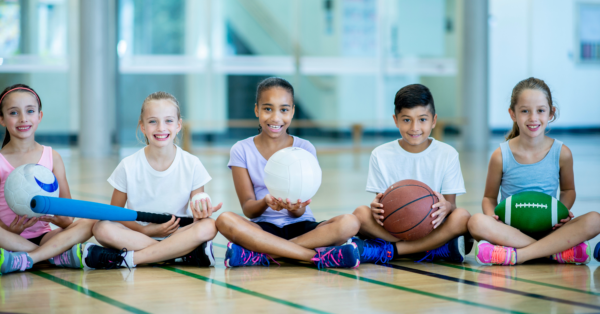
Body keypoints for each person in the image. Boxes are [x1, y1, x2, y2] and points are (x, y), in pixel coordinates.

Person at [216, 77, 360, 269]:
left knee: (350, 222)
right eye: (268, 109)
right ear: (257, 110)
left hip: (302, 228)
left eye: (283, 110)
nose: (276, 118)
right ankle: (315, 257)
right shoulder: (241, 149)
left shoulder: (305, 148)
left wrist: (293, 206)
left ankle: (263, 255)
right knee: (224, 219)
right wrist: (265, 202)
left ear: (292, 112)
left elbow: (300, 210)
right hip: (262, 230)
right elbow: (248, 208)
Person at [468, 77, 600, 265]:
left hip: (549, 227)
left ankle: (517, 255)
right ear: (512, 114)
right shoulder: (501, 155)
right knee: (476, 222)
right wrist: (492, 217)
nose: (533, 118)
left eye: (540, 110)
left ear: (551, 113)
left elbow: (568, 191)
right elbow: (489, 198)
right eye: (524, 111)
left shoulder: (562, 153)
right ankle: (553, 251)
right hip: (510, 229)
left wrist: (562, 213)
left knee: (595, 220)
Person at [88, 91, 220, 269]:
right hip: (137, 234)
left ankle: (131, 258)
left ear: (179, 125)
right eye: (152, 121)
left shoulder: (192, 164)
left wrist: (202, 213)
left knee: (209, 226)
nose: (161, 128)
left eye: (168, 120)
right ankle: (179, 254)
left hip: (178, 234)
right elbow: (115, 213)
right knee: (101, 228)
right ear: (142, 126)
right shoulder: (128, 165)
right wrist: (143, 230)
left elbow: (198, 216)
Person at [352, 84, 471, 264]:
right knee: (360, 214)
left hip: (432, 227)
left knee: (462, 216)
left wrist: (446, 207)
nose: (415, 127)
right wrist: (377, 209)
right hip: (395, 228)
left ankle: (391, 251)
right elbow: (385, 207)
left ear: (434, 120)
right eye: (406, 120)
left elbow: (452, 206)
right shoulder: (380, 154)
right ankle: (433, 249)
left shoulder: (447, 154)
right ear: (395, 120)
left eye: (422, 119)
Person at [0, 84, 96, 274]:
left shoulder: (53, 157)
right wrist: (12, 231)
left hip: (46, 236)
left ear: (39, 116)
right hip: (8, 238)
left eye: (30, 111)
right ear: (1, 120)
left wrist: (56, 218)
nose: (23, 119)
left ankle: (28, 258)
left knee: (91, 223)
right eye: (13, 113)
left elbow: (68, 219)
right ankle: (54, 256)